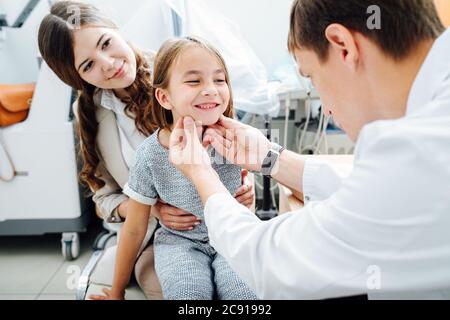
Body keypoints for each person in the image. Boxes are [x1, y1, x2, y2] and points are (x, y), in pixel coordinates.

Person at [168, 0, 450, 299]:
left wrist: (202, 176)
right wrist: (270, 158)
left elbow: (272, 265)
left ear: (343, 46)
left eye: (313, 77)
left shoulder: (417, 148)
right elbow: (386, 201)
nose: (326, 110)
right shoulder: (428, 135)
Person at [37, 1, 254, 299]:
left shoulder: (180, 70)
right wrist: (149, 207)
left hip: (223, 219)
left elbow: (233, 140)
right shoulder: (89, 113)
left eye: (106, 43)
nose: (109, 63)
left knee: (244, 287)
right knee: (178, 288)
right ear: (77, 77)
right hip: (162, 236)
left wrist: (244, 180)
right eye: (88, 65)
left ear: (116, 30)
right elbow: (105, 198)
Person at [95, 36, 258, 300]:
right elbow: (134, 228)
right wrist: (116, 293)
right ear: (164, 97)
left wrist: (249, 188)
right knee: (188, 296)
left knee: (245, 296)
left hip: (233, 236)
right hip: (179, 245)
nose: (211, 90)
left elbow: (249, 183)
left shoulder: (235, 137)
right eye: (194, 81)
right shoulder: (149, 155)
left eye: (219, 80)